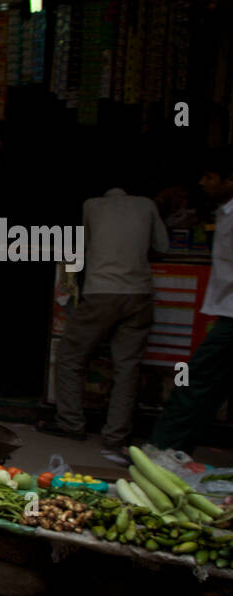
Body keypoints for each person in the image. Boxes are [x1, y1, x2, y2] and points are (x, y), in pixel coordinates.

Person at [42, 184, 168, 450]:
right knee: (127, 366)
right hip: (139, 293)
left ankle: (71, 423)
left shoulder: (91, 205)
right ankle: (116, 435)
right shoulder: (147, 204)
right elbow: (163, 246)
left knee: (70, 356)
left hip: (101, 292)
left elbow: (83, 248)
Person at [152, 150, 233, 453]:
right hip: (225, 310)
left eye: (210, 177)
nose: (202, 183)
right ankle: (177, 449)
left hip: (231, 315)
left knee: (195, 380)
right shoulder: (224, 212)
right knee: (208, 385)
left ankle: (163, 449)